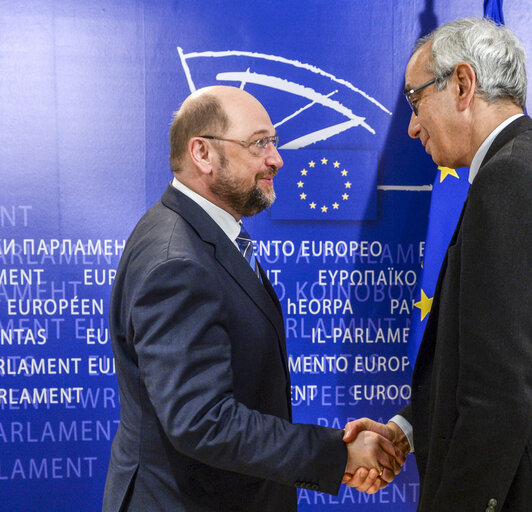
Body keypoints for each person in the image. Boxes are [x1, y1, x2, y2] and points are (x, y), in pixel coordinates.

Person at [343, 17, 532, 512]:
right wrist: (408, 429)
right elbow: (500, 363)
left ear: (462, 83)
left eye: (415, 100)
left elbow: (502, 394)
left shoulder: (511, 180)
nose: (411, 126)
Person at [103, 85, 403, 512]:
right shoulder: (177, 260)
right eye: (259, 143)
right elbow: (202, 421)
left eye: (274, 143)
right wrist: (338, 455)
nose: (276, 159)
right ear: (202, 154)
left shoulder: (198, 235)